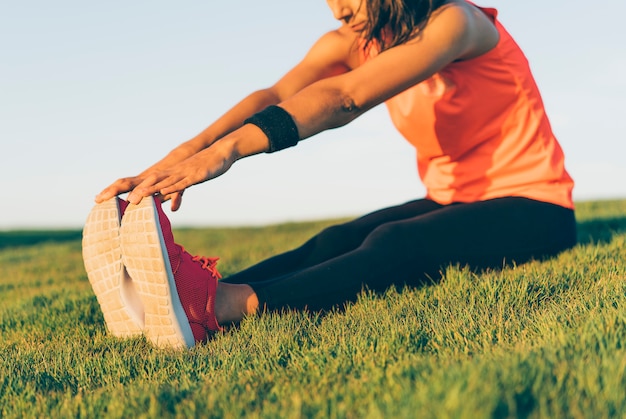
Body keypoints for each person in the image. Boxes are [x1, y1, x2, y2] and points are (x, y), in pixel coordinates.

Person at [83, 0, 577, 349]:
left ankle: (228, 305)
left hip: (535, 207)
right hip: (453, 199)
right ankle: (176, 304)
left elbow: (346, 98)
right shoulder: (355, 38)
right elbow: (275, 97)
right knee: (334, 239)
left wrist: (229, 152)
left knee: (395, 243)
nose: (336, 8)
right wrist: (182, 155)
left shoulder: (458, 23)